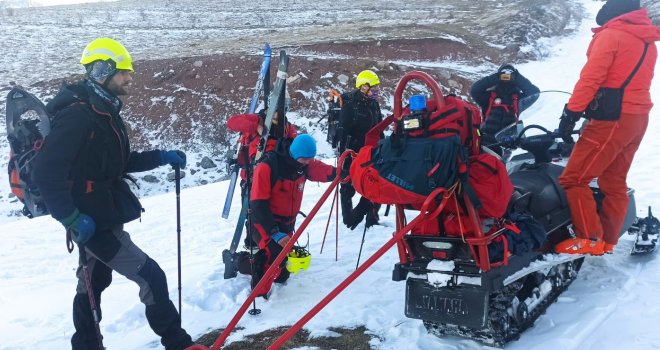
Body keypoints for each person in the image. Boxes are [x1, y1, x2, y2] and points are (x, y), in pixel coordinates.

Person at [33, 38, 200, 350]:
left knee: (93, 284)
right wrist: (71, 218)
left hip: (102, 214)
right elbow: (46, 172)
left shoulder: (102, 111)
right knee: (151, 276)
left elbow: (118, 164)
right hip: (89, 220)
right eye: (123, 72)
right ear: (102, 71)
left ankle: (86, 345)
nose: (129, 78)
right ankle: (179, 344)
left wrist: (161, 156)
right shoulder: (79, 116)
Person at [555, 0, 660, 255]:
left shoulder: (612, 35)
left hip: (611, 120)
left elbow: (591, 78)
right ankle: (606, 241)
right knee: (613, 180)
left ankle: (589, 238)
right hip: (637, 118)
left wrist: (571, 113)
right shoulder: (647, 40)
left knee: (574, 178)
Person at [234, 134, 335, 296]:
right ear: (294, 154)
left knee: (281, 276)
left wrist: (339, 173)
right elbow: (258, 204)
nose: (308, 163)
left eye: (310, 159)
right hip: (263, 223)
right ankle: (241, 266)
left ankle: (264, 263)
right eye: (305, 159)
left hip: (286, 226)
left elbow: (320, 169)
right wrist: (274, 233)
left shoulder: (302, 165)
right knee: (270, 258)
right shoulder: (267, 167)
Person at [337, 69, 384, 230]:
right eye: (373, 88)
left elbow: (379, 127)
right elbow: (341, 132)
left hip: (371, 152)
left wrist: (383, 146)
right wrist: (344, 156)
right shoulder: (350, 106)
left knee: (376, 183)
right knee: (347, 187)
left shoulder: (374, 105)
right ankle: (348, 218)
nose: (376, 91)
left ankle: (372, 217)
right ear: (363, 87)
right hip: (353, 153)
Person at [470, 64, 540, 154]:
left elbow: (534, 93)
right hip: (486, 140)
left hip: (509, 142)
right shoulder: (489, 97)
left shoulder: (518, 99)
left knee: (505, 166)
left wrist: (518, 77)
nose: (506, 77)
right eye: (503, 75)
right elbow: (475, 90)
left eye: (510, 75)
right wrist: (496, 76)